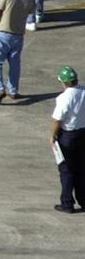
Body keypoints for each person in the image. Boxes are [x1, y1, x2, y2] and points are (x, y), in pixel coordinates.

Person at [50, 65, 85, 213]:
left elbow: (57, 120)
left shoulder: (64, 97)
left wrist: (52, 135)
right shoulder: (83, 91)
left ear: (64, 82)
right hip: (83, 134)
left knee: (66, 170)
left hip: (68, 136)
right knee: (82, 169)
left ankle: (67, 203)